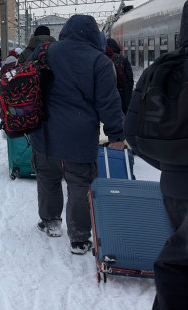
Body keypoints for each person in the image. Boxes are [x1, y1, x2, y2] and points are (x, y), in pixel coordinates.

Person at [125, 0, 188, 310]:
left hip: (176, 189)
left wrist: (175, 162)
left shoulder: (160, 69)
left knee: (179, 258)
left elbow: (135, 134)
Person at [26, 15, 126, 255]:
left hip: (45, 129)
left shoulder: (44, 50)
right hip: (80, 135)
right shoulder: (99, 61)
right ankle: (79, 238)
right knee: (80, 185)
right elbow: (109, 102)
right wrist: (116, 135)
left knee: (48, 177)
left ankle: (51, 222)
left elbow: (26, 81)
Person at [105, 38, 134, 114]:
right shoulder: (123, 59)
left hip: (108, 97)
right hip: (122, 95)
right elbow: (130, 80)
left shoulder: (103, 59)